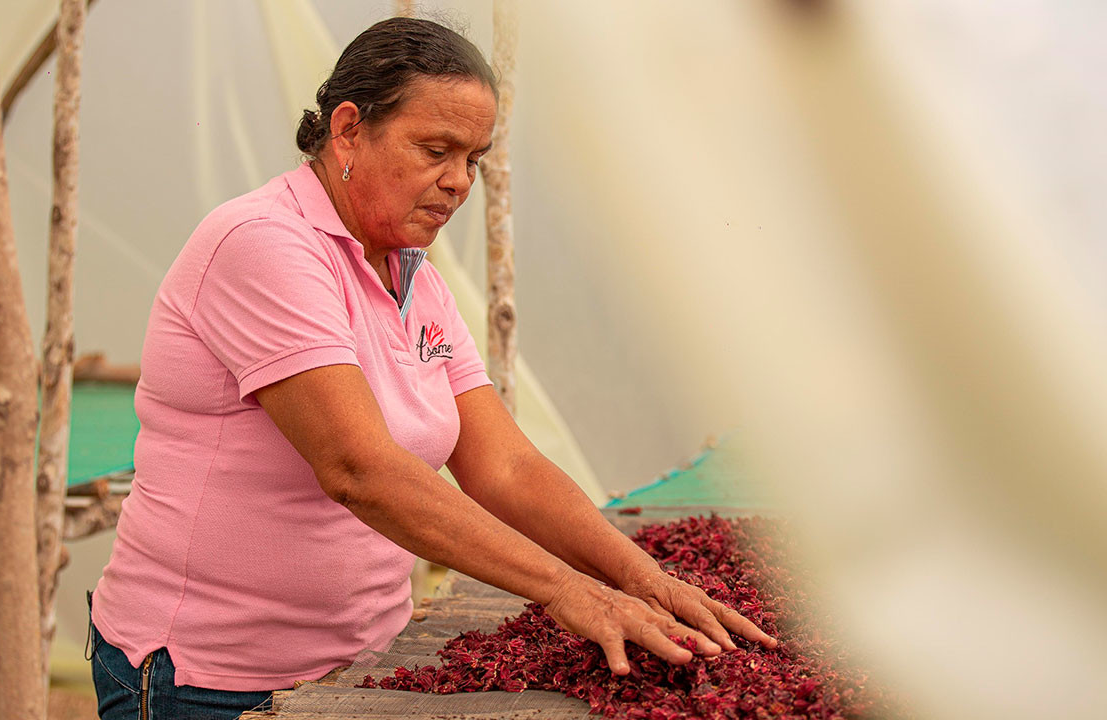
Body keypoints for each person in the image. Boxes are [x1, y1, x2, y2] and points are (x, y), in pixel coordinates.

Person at [88, 16, 776, 719]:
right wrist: (566, 588)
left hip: (358, 665)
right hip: (207, 680)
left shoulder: (414, 275)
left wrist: (641, 577)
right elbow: (359, 470)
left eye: (473, 159)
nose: (458, 182)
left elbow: (503, 466)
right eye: (436, 150)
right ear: (349, 130)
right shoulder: (263, 245)